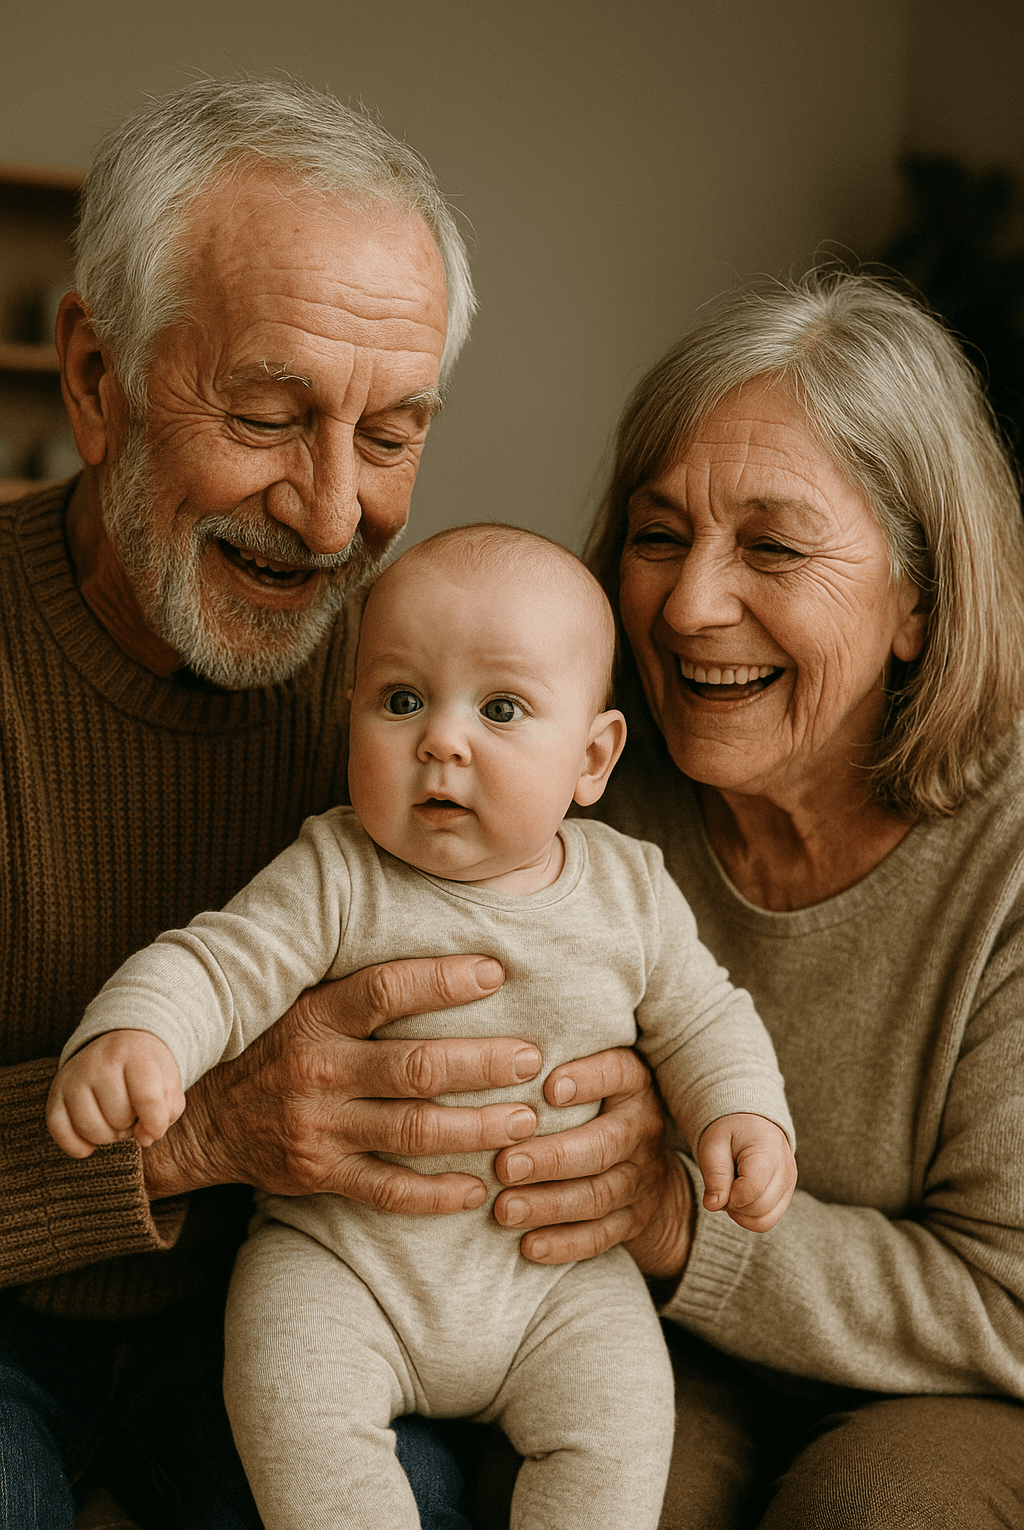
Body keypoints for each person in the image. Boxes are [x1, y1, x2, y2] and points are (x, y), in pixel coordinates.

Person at [0, 78, 666, 1530]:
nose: (327, 515)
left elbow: (615, 952)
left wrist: (633, 1132)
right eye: (266, 413)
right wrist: (189, 1140)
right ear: (97, 381)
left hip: (287, 1307)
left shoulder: (423, 679)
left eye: (389, 434)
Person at [48, 523, 796, 1530]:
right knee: (289, 1393)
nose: (441, 740)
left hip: (553, 1283)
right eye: (401, 701)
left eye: (500, 708)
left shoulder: (629, 892)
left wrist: (742, 1115)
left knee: (622, 1418)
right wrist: (138, 1037)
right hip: (345, 1268)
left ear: (591, 756)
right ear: (351, 713)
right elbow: (219, 965)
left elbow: (707, 1016)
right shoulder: (338, 872)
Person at [580, 268, 1024, 1528]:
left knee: (872, 1509)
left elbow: (1007, 1304)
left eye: (771, 545)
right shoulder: (587, 779)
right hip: (653, 1339)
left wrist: (683, 1223)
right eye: (658, 535)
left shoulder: (1010, 853)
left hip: (957, 1388)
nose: (689, 603)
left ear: (918, 602)